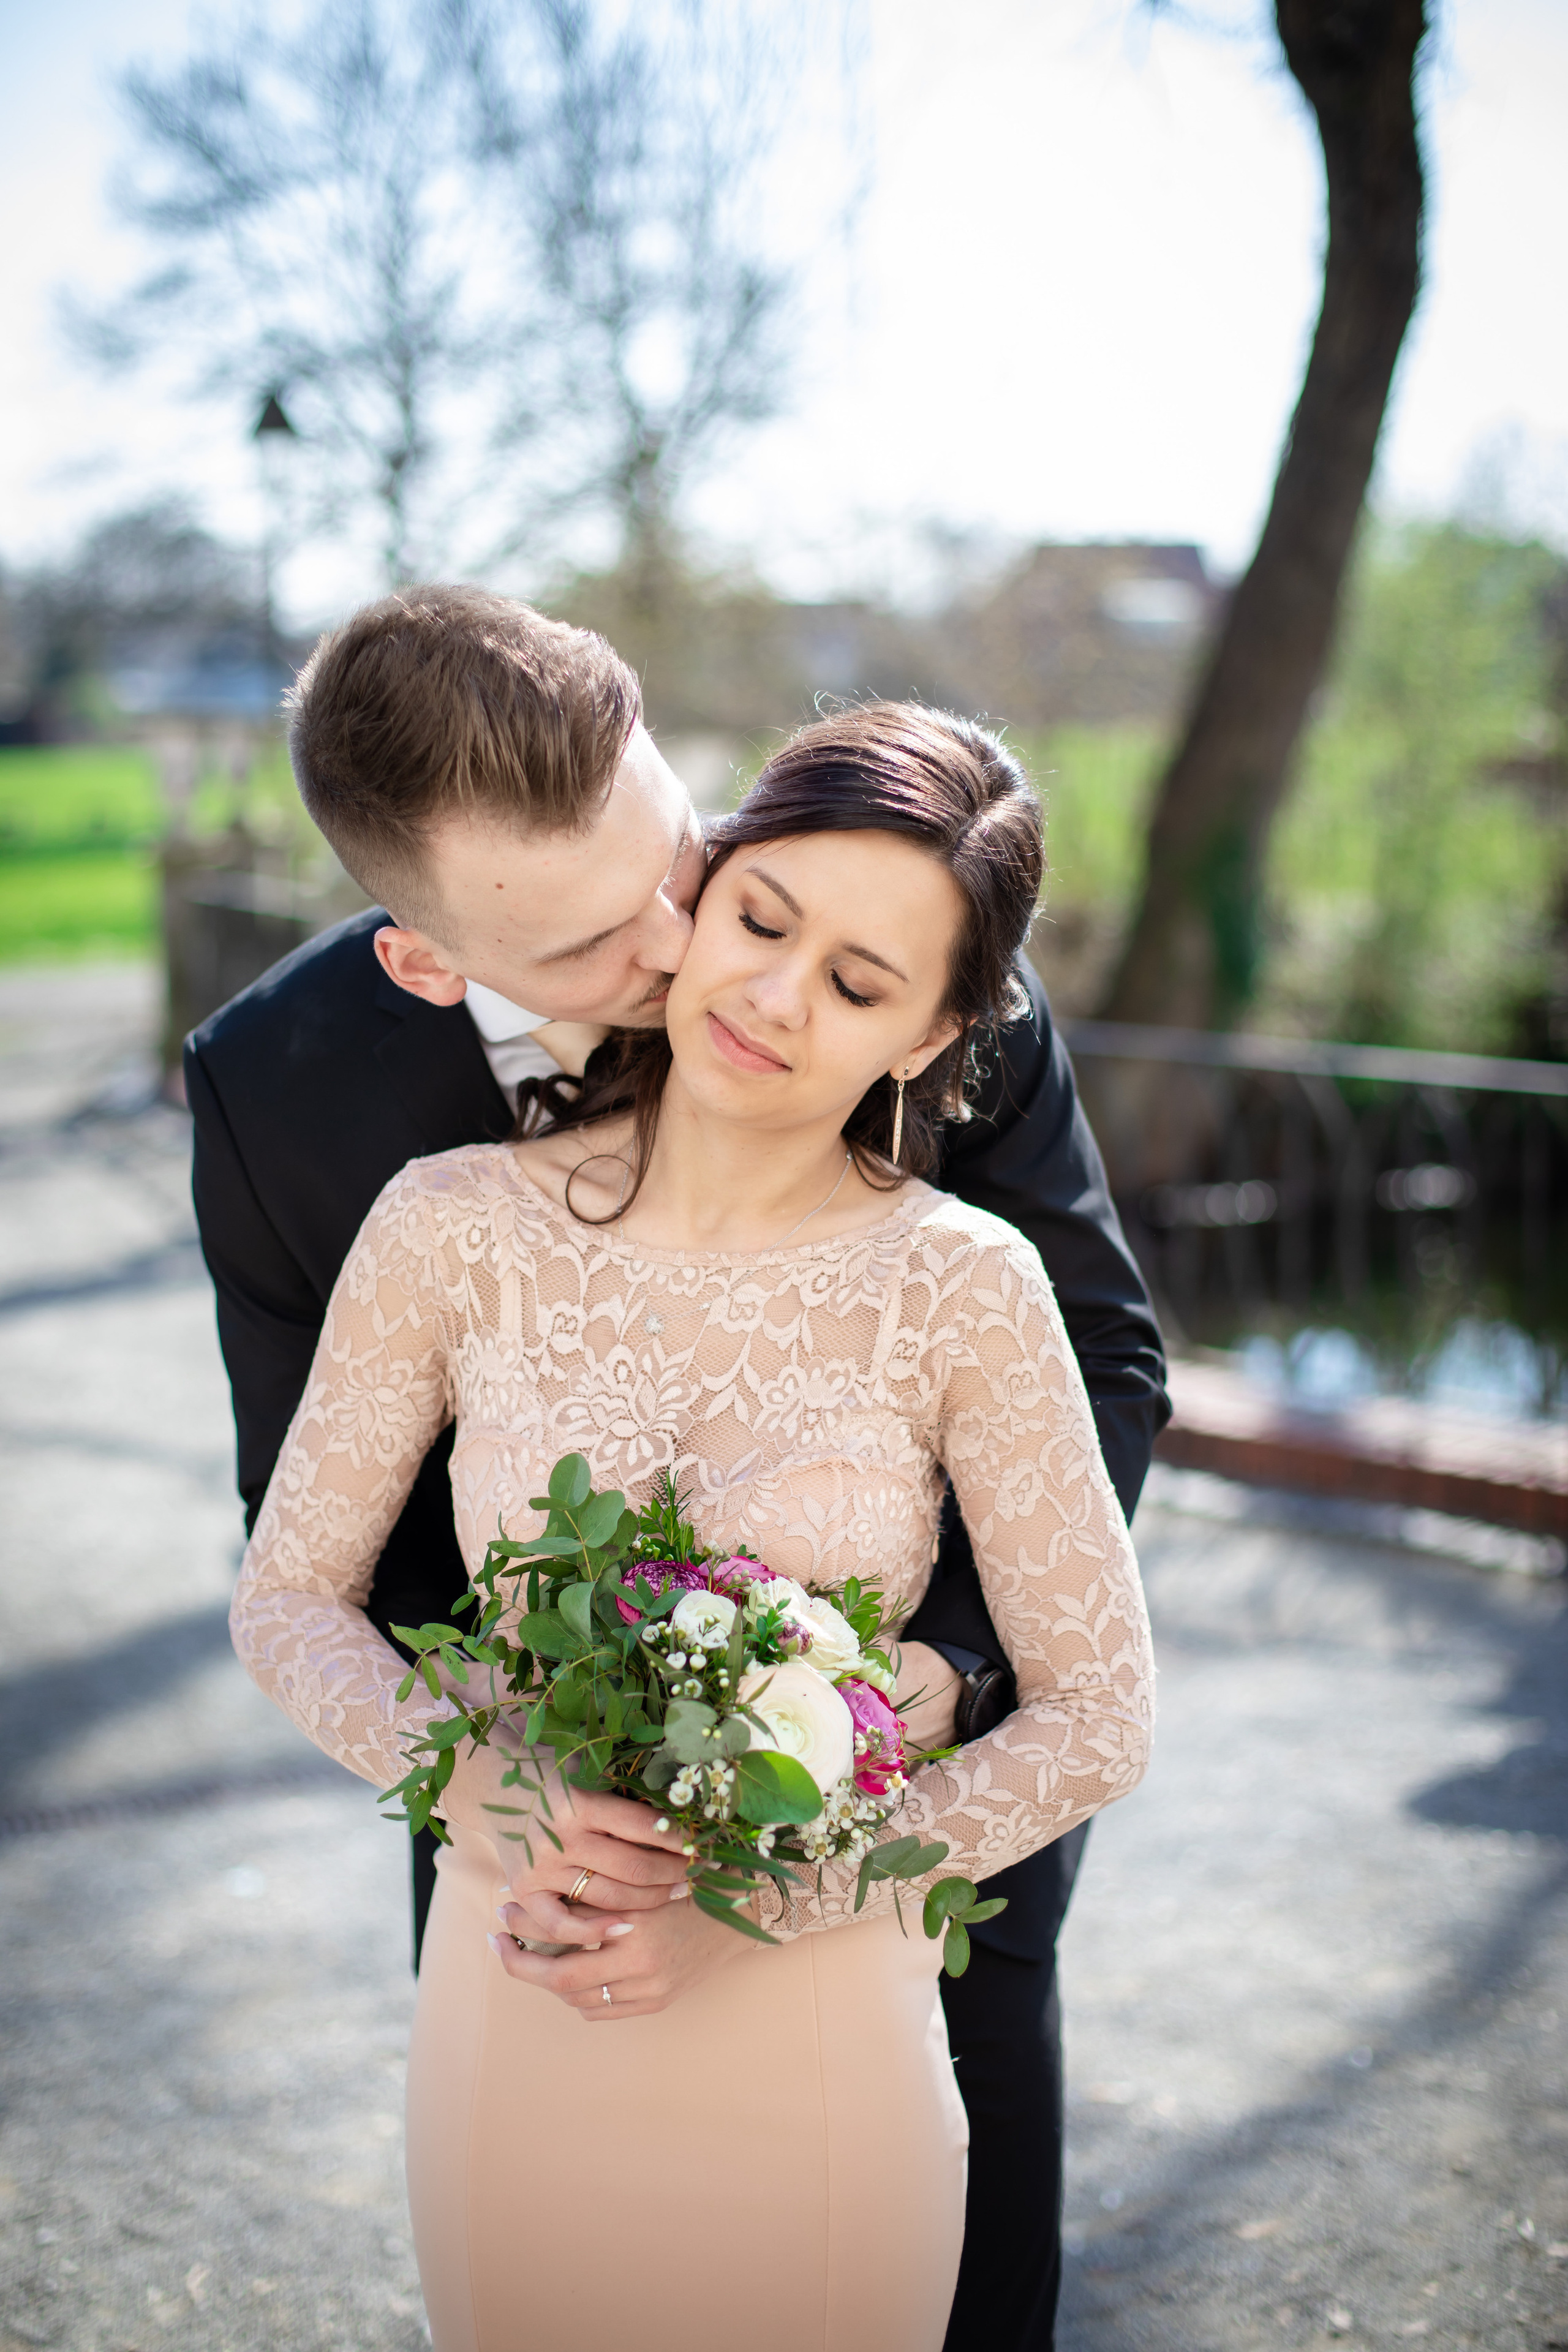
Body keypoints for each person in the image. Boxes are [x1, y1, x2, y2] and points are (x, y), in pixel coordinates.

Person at [188, 587, 1169, 2350]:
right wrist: (516, 1795)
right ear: (435, 956)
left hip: (886, 1893)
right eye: (604, 937)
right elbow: (315, 1566)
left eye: (684, 866)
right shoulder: (335, 1132)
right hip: (532, 1911)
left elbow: (1105, 1392)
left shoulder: (914, 999)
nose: (692, 955)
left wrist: (885, 1726)